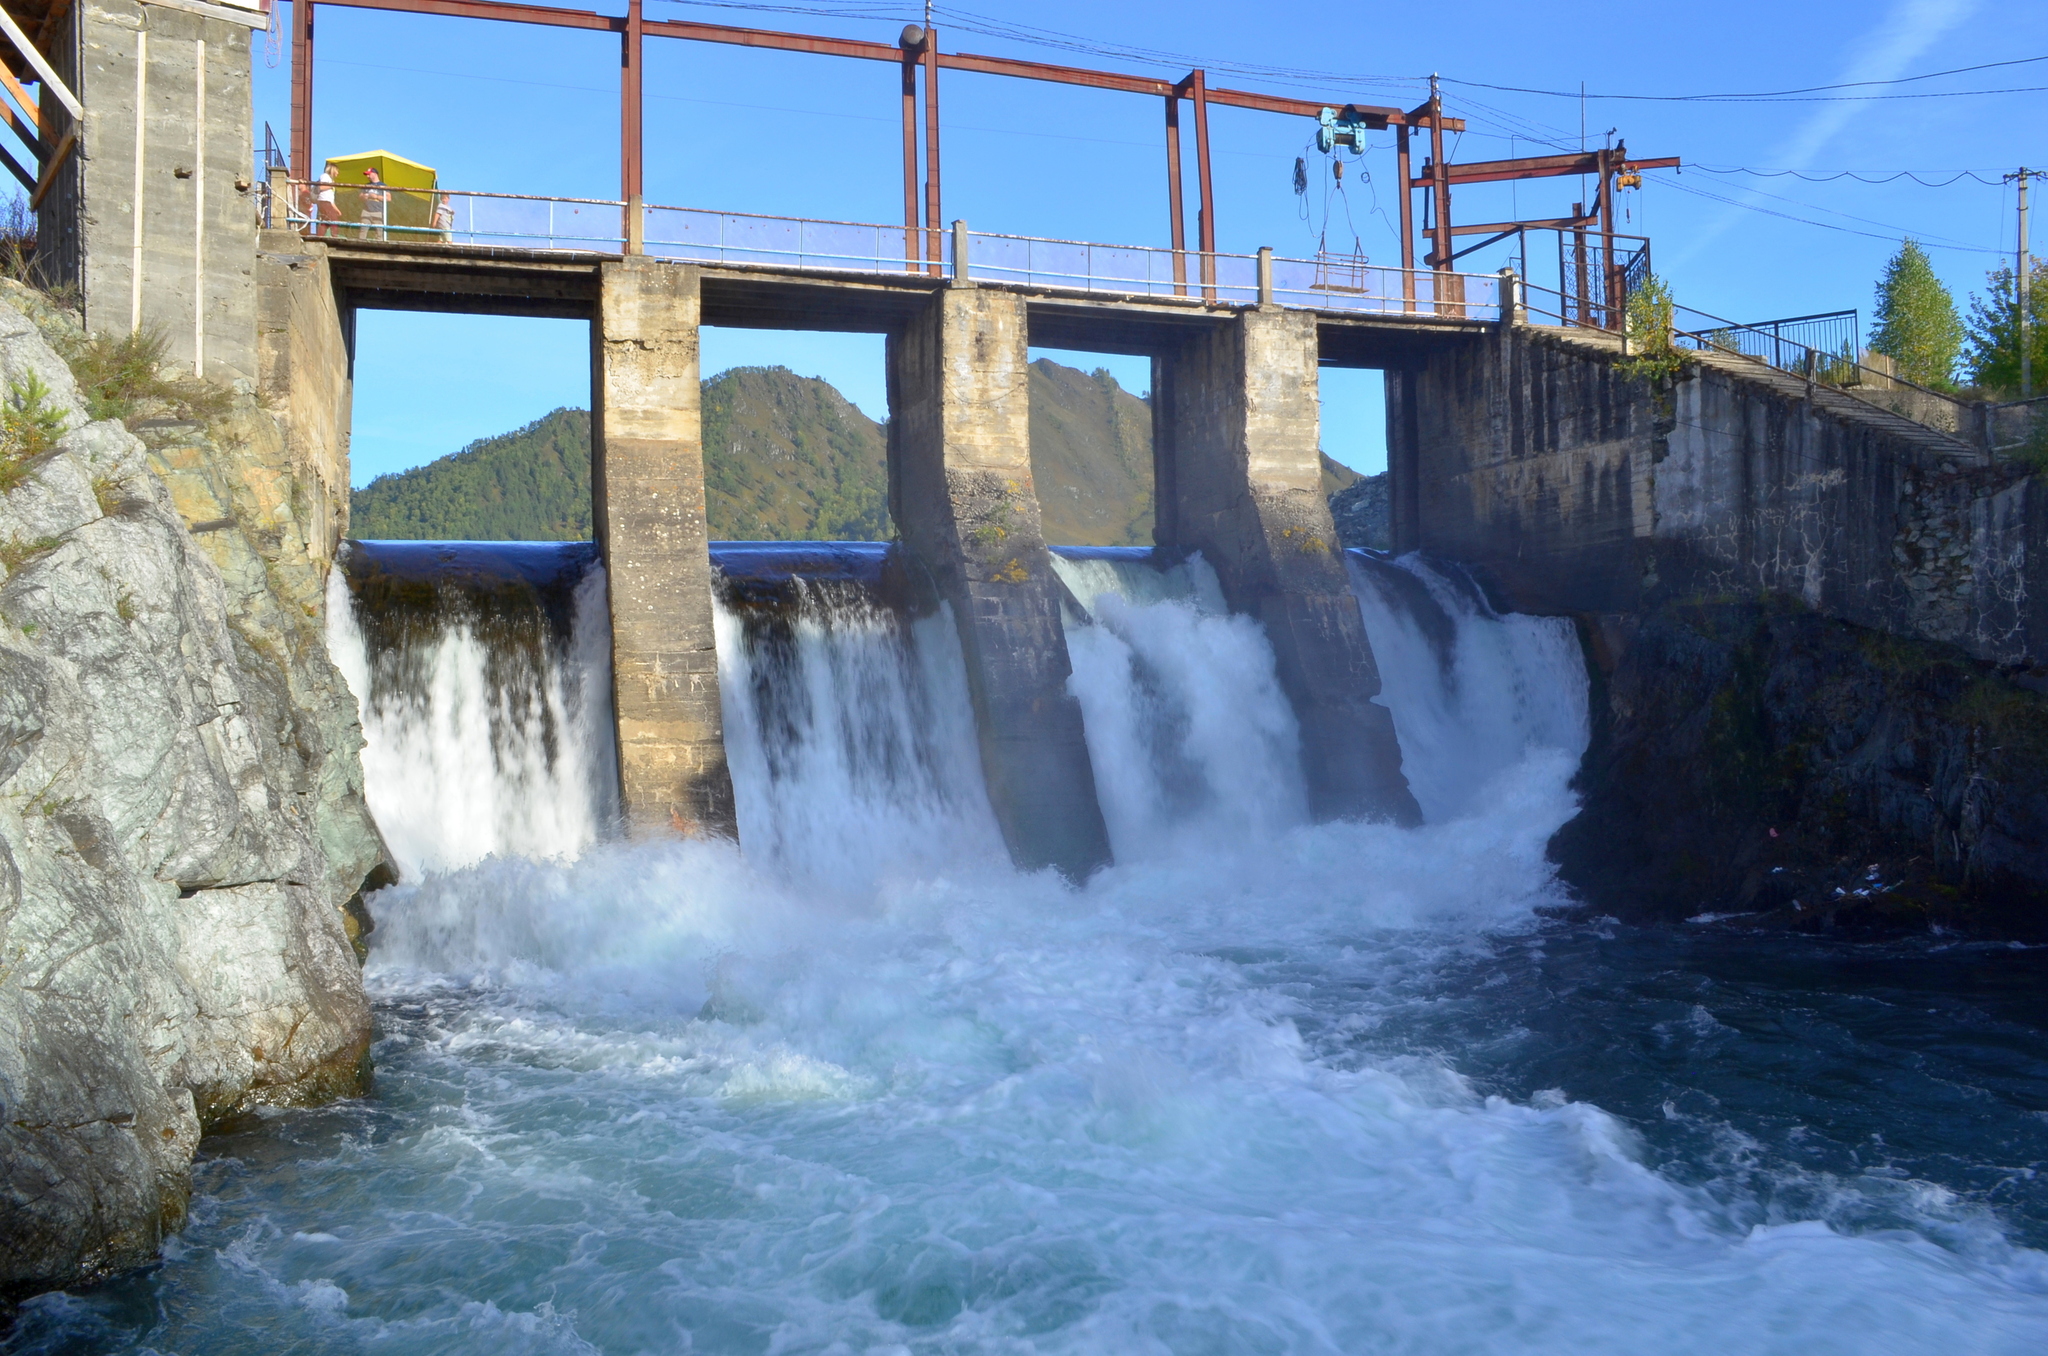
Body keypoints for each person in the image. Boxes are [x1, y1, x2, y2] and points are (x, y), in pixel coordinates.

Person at [361, 166, 390, 241]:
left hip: (378, 212)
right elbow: (360, 197)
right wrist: (366, 196)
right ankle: (360, 247)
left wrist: (376, 196)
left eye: (369, 174)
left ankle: (380, 249)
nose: (367, 176)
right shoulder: (366, 185)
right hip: (366, 211)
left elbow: (389, 198)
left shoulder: (383, 185)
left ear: (374, 174)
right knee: (362, 231)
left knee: (379, 233)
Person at [313, 162, 339, 237]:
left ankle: (319, 236)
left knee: (326, 221)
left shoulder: (330, 180)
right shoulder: (325, 176)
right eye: (337, 170)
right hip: (324, 201)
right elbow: (321, 187)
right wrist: (331, 186)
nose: (338, 173)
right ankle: (335, 236)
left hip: (328, 202)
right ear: (333, 170)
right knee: (334, 219)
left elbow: (331, 199)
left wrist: (337, 210)